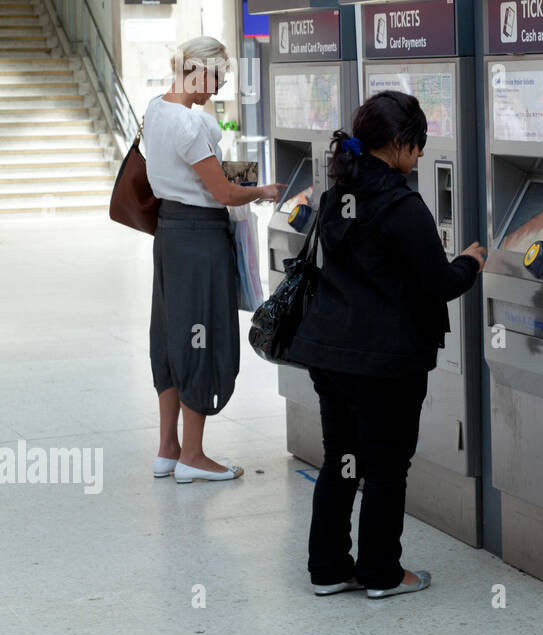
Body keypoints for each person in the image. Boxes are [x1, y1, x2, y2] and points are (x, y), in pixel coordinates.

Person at [285, 91, 486, 599]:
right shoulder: (401, 205)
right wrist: (472, 262)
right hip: (386, 363)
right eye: (416, 147)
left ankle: (329, 569)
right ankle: (382, 574)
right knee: (386, 469)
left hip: (330, 353)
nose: (419, 157)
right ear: (396, 145)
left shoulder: (336, 196)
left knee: (341, 462)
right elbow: (438, 283)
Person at [144, 35, 285, 484]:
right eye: (218, 78)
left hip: (168, 235)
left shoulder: (154, 109)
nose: (218, 90)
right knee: (200, 336)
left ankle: (168, 449)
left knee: (170, 336)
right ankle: (194, 456)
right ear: (198, 71)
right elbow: (223, 193)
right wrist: (262, 190)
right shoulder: (193, 125)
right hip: (200, 240)